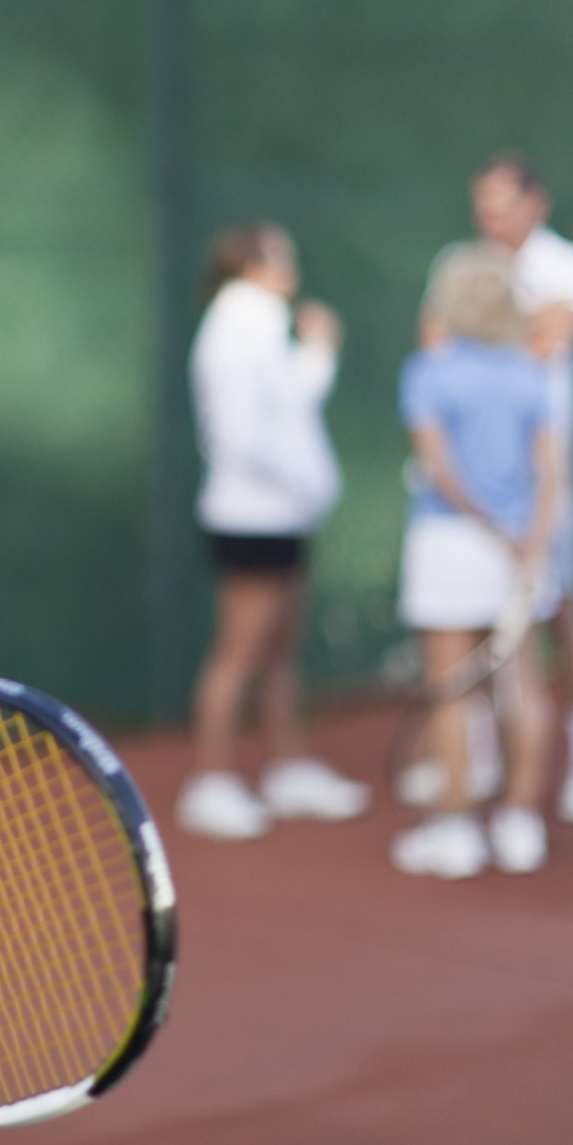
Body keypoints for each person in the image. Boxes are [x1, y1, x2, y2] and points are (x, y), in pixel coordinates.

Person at [177, 224, 370, 840]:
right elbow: (241, 436)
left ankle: (287, 770)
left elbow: (291, 403)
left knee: (280, 651)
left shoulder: (263, 324)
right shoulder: (237, 329)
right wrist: (305, 484)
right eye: (281, 252)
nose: (292, 262)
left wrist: (319, 349)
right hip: (251, 518)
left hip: (283, 516)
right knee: (237, 655)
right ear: (252, 263)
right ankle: (210, 782)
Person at [391, 244, 563, 879]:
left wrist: (497, 530)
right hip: (515, 547)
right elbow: (551, 472)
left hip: (451, 544)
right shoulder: (530, 375)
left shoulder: (428, 371)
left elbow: (439, 466)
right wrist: (531, 543)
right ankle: (520, 825)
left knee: (452, 693)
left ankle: (457, 830)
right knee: (523, 687)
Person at [470, 152, 573, 826]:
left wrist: (483, 325)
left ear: (537, 203)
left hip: (545, 477)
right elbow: (437, 338)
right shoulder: (467, 262)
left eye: (502, 206)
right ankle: (476, 755)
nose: (490, 220)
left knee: (562, 613)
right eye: (483, 208)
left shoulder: (570, 267)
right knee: (471, 618)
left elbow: (541, 339)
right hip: (475, 479)